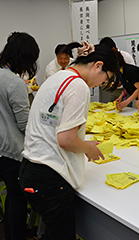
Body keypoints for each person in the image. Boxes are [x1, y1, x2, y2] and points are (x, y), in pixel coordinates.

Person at [18, 41, 120, 240]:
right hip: (51, 176)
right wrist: (87, 148)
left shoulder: (59, 77)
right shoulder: (78, 85)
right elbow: (65, 139)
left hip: (30, 169)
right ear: (97, 65)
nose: (100, 84)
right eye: (105, 78)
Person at [0, 31, 39, 240]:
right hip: (10, 150)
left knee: (10, 196)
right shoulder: (14, 83)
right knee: (17, 197)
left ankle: (9, 233)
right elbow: (25, 124)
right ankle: (16, 236)